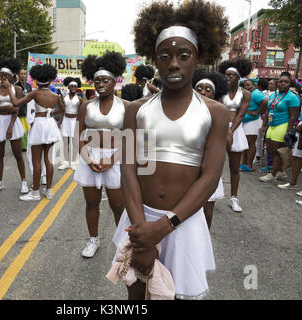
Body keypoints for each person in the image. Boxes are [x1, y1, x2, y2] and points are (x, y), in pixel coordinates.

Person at [112, 0, 229, 300]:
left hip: (183, 223)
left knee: (178, 296)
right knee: (137, 294)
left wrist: (163, 227)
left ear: (198, 57)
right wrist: (142, 234)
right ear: (154, 59)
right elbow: (128, 168)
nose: (173, 64)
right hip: (139, 221)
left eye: (183, 55)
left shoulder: (215, 112)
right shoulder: (135, 110)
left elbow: (210, 178)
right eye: (165, 56)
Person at [75, 51, 130, 258]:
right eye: (96, 81)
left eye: (105, 80)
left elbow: (130, 138)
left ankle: (122, 244)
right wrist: (88, 160)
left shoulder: (126, 107)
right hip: (90, 158)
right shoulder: (86, 106)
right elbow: (78, 135)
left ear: (114, 81)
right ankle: (93, 239)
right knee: (91, 203)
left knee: (118, 205)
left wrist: (112, 160)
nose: (100, 85)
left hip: (115, 159)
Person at [3, 64, 64, 201]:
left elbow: (16, 102)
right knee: (49, 160)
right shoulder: (55, 95)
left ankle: (35, 193)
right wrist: (52, 113)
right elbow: (63, 110)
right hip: (50, 124)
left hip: (39, 125)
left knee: (36, 161)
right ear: (50, 80)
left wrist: (9, 89)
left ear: (36, 79)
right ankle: (49, 191)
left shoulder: (35, 93)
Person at [193, 69, 230, 229]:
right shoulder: (184, 112)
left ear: (215, 94)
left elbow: (228, 143)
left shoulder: (219, 113)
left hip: (209, 170)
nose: (203, 92)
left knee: (207, 213)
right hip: (187, 169)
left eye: (208, 90)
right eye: (199, 88)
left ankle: (203, 245)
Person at [0, 56, 29, 195]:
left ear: (12, 76)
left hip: (12, 123)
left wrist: (11, 126)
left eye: (6, 75)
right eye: (1, 75)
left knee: (18, 155)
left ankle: (24, 182)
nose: (3, 77)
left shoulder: (16, 89)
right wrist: (3, 107)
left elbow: (16, 109)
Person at [218, 58, 252, 213]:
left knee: (234, 168)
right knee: (215, 165)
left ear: (239, 77)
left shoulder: (245, 94)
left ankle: (234, 198)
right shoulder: (220, 91)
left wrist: (230, 131)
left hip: (235, 131)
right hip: (219, 128)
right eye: (226, 75)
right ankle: (210, 195)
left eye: (231, 75)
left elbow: (240, 115)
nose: (228, 78)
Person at [260, 72, 301, 182]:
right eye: (281, 81)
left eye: (286, 82)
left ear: (289, 84)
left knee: (278, 150)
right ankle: (281, 171)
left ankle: (273, 174)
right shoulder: (273, 95)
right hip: (271, 124)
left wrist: (288, 132)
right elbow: (268, 109)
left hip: (283, 125)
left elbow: (293, 116)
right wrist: (264, 125)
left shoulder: (293, 97)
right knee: (269, 148)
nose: (282, 83)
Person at [240, 79, 268, 172]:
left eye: (248, 85)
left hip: (253, 122)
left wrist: (257, 112)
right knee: (245, 144)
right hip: (246, 122)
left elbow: (265, 100)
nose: (246, 87)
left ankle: (249, 165)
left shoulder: (255, 93)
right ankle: (244, 164)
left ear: (254, 85)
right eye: (245, 85)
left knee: (250, 143)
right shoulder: (248, 93)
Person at [58, 77, 83, 170]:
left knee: (74, 142)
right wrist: (60, 122)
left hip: (74, 121)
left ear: (77, 87)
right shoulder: (64, 97)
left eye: (75, 86)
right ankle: (65, 162)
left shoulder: (79, 98)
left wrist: (81, 124)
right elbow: (62, 111)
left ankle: (73, 163)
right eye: (71, 85)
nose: (73, 87)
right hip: (66, 120)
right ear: (68, 87)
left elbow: (81, 113)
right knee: (65, 142)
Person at [15, 68, 33, 151]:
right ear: (18, 75)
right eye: (21, 74)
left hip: (28, 110)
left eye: (24, 74)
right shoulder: (15, 85)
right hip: (19, 111)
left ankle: (26, 146)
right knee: (21, 130)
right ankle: (21, 146)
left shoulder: (28, 85)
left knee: (27, 129)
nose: (23, 75)